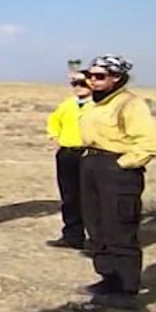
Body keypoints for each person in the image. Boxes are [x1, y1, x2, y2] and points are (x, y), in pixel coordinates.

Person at [76, 55, 156, 310]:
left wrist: (122, 165)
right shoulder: (95, 103)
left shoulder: (129, 103)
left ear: (116, 78)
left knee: (119, 226)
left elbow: (150, 142)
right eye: (90, 76)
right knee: (96, 225)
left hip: (117, 169)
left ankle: (126, 288)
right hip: (92, 163)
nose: (93, 80)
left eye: (100, 76)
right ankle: (108, 278)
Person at [45, 72, 92, 251]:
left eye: (82, 83)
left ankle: (98, 239)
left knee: (91, 197)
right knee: (69, 196)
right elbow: (53, 120)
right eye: (74, 83)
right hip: (67, 154)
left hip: (89, 154)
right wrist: (54, 137)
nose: (78, 86)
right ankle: (72, 236)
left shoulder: (98, 106)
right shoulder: (67, 105)